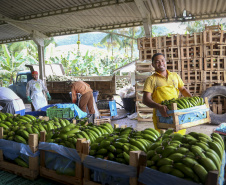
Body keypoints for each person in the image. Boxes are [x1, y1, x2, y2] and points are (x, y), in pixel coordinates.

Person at [142, 53, 192, 135]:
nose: (161, 63)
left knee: (179, 139)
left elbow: (183, 89)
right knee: (164, 141)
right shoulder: (151, 79)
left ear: (165, 62)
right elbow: (145, 99)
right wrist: (159, 107)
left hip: (177, 113)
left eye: (162, 60)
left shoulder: (175, 76)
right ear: (153, 65)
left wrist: (192, 101)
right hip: (162, 115)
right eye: (157, 61)